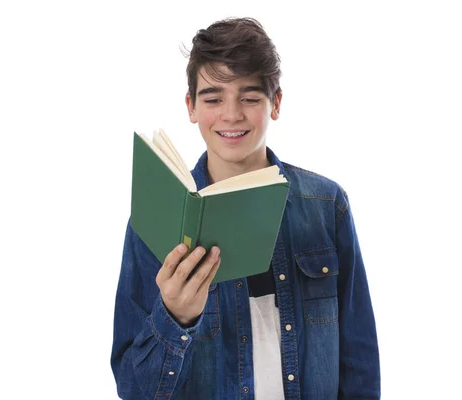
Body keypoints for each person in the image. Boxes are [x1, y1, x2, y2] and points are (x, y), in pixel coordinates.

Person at [111, 17, 380, 399]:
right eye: (213, 98)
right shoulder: (153, 221)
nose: (232, 114)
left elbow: (360, 363)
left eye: (250, 97)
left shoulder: (326, 205)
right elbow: (133, 390)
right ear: (191, 106)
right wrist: (175, 317)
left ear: (276, 103)